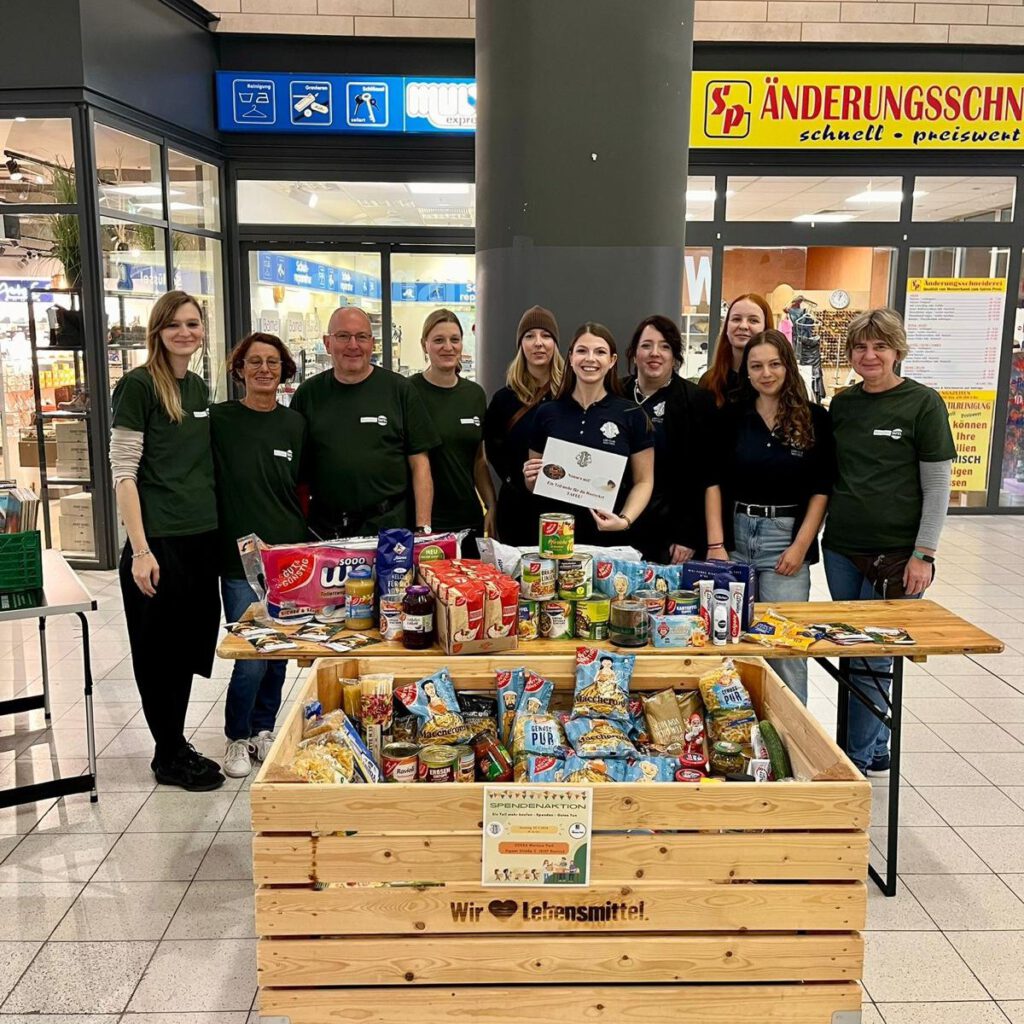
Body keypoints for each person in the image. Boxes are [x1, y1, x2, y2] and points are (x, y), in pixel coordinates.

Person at [823, 308, 955, 775]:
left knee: (873, 657)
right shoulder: (843, 405)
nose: (870, 354)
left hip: (899, 555)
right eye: (861, 346)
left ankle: (852, 762)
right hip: (841, 548)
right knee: (853, 651)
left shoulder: (923, 403)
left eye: (880, 345)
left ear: (898, 350)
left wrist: (925, 554)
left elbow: (938, 485)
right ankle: (876, 746)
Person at [109, 290, 223, 791]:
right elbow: (123, 473)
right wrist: (141, 549)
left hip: (200, 541)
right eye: (174, 324)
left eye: (193, 324)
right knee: (158, 654)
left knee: (187, 649)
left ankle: (175, 742)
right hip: (158, 545)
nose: (185, 333)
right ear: (157, 330)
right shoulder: (137, 387)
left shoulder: (197, 387)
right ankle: (167, 754)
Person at [705, 330, 835, 704]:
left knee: (785, 648)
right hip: (736, 533)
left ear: (788, 367)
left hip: (786, 537)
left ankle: (795, 745)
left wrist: (801, 546)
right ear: (745, 371)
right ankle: (738, 731)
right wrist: (716, 545)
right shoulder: (731, 416)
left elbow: (821, 490)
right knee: (728, 640)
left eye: (774, 364)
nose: (766, 373)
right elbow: (711, 481)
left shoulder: (814, 418)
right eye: (756, 365)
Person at [210, 332, 307, 778]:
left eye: (272, 362)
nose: (264, 369)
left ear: (284, 370)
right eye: (255, 362)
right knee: (250, 652)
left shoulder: (295, 425)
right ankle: (235, 736)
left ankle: (264, 727)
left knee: (280, 651)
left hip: (287, 559)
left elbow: (302, 490)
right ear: (240, 370)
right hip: (239, 560)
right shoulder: (220, 420)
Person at [289, 305, 440, 538]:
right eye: (343, 336)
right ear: (327, 342)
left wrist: (423, 528)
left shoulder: (399, 390)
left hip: (388, 530)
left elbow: (420, 465)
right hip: (325, 532)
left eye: (361, 337)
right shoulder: (308, 394)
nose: (353, 345)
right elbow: (296, 473)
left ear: (371, 343)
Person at [524, 322, 654, 544]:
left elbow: (644, 481)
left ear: (612, 361)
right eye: (582, 351)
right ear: (571, 358)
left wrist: (624, 520)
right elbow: (535, 484)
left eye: (600, 352)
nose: (590, 359)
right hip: (554, 538)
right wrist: (530, 476)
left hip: (610, 540)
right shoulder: (547, 413)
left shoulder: (631, 413)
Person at [623, 314, 717, 563]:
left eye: (665, 346)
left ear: (675, 356)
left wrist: (688, 535)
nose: (655, 353)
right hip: (619, 526)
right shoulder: (615, 394)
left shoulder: (697, 400)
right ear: (634, 354)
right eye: (646, 345)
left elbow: (703, 475)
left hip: (672, 535)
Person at [409, 309, 497, 555]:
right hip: (424, 522)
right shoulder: (408, 392)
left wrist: (491, 505)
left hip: (468, 520)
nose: (448, 347)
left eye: (454, 339)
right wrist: (421, 526)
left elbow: (479, 460)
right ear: (424, 345)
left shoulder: (474, 394)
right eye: (438, 340)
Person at [483, 306, 565, 545]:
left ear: (555, 343)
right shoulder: (504, 400)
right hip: (518, 509)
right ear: (521, 345)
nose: (538, 343)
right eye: (530, 336)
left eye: (546, 335)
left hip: (564, 511)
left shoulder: (571, 395)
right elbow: (494, 450)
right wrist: (517, 479)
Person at [699, 293, 774, 407]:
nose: (743, 326)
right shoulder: (709, 381)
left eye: (753, 320)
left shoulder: (778, 381)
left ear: (766, 327)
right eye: (736, 319)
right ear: (727, 327)